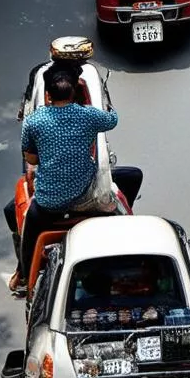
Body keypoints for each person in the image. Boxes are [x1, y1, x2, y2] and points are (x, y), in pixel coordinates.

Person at [10, 64, 119, 294]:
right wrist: (106, 101)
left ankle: (23, 275)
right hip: (86, 199)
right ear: (73, 94)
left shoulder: (34, 121)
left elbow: (30, 157)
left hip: (50, 204)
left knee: (26, 226)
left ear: (47, 95)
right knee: (125, 192)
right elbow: (113, 119)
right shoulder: (88, 115)